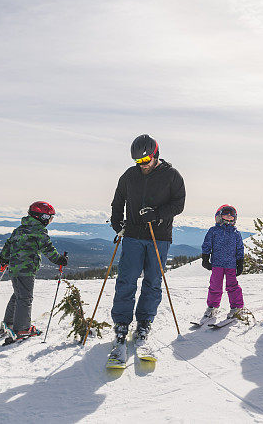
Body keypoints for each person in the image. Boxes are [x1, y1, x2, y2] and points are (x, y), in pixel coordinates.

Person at [109, 134, 186, 359]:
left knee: (152, 282)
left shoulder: (172, 175)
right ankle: (122, 324)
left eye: (145, 160)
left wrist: (158, 215)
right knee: (126, 280)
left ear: (156, 155)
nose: (142, 165)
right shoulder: (129, 175)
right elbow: (118, 199)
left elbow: (179, 203)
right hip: (132, 235)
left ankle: (143, 324)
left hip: (159, 236)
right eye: (138, 162)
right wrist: (116, 221)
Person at [0, 201, 68, 344]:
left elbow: (8, 244)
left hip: (14, 268)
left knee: (18, 295)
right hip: (26, 270)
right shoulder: (39, 231)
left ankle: (9, 323)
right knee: (25, 298)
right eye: (49, 217)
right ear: (41, 217)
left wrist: (4, 259)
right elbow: (48, 249)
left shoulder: (19, 229)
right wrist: (60, 260)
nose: (50, 220)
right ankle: (22, 329)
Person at [200, 205, 245, 323]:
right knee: (215, 286)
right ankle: (212, 307)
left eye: (231, 217)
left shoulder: (236, 233)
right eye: (226, 215)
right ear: (219, 216)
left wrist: (240, 262)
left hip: (231, 265)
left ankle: (236, 307)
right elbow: (207, 244)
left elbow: (240, 248)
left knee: (232, 286)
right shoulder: (213, 231)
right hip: (217, 264)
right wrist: (205, 258)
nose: (228, 218)